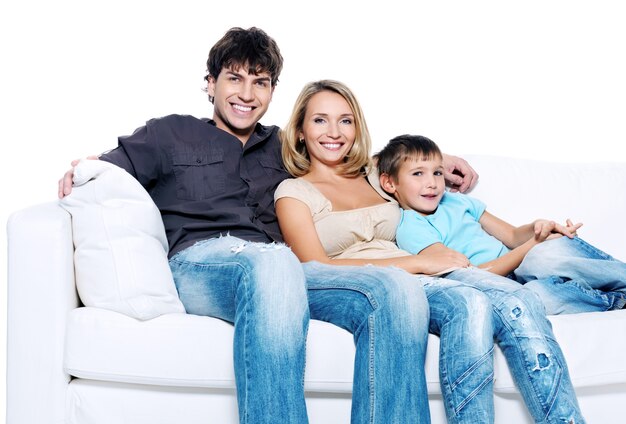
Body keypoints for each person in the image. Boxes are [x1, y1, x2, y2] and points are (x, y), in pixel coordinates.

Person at [56, 27, 476, 424]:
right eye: (233, 78)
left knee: (396, 289)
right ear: (210, 83)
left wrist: (436, 162)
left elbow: (348, 152)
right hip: (204, 265)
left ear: (273, 91)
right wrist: (84, 169)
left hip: (289, 273)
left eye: (260, 82)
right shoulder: (171, 133)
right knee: (271, 263)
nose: (246, 93)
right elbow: (111, 166)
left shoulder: (284, 144)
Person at [275, 79, 585, 423]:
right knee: (479, 300)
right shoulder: (293, 192)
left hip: (424, 280)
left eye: (345, 120)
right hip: (372, 284)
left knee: (502, 301)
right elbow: (316, 265)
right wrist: (418, 261)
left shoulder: (372, 175)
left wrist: (444, 162)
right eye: (320, 120)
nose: (334, 131)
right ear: (300, 130)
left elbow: (412, 166)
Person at [377, 133, 626, 315]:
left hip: (524, 265)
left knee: (547, 254)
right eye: (418, 174)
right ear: (390, 184)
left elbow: (512, 235)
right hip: (500, 285)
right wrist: (530, 246)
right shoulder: (411, 228)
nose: (432, 183)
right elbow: (470, 276)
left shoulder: (457, 202)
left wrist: (538, 229)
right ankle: (617, 300)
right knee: (536, 299)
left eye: (437, 172)